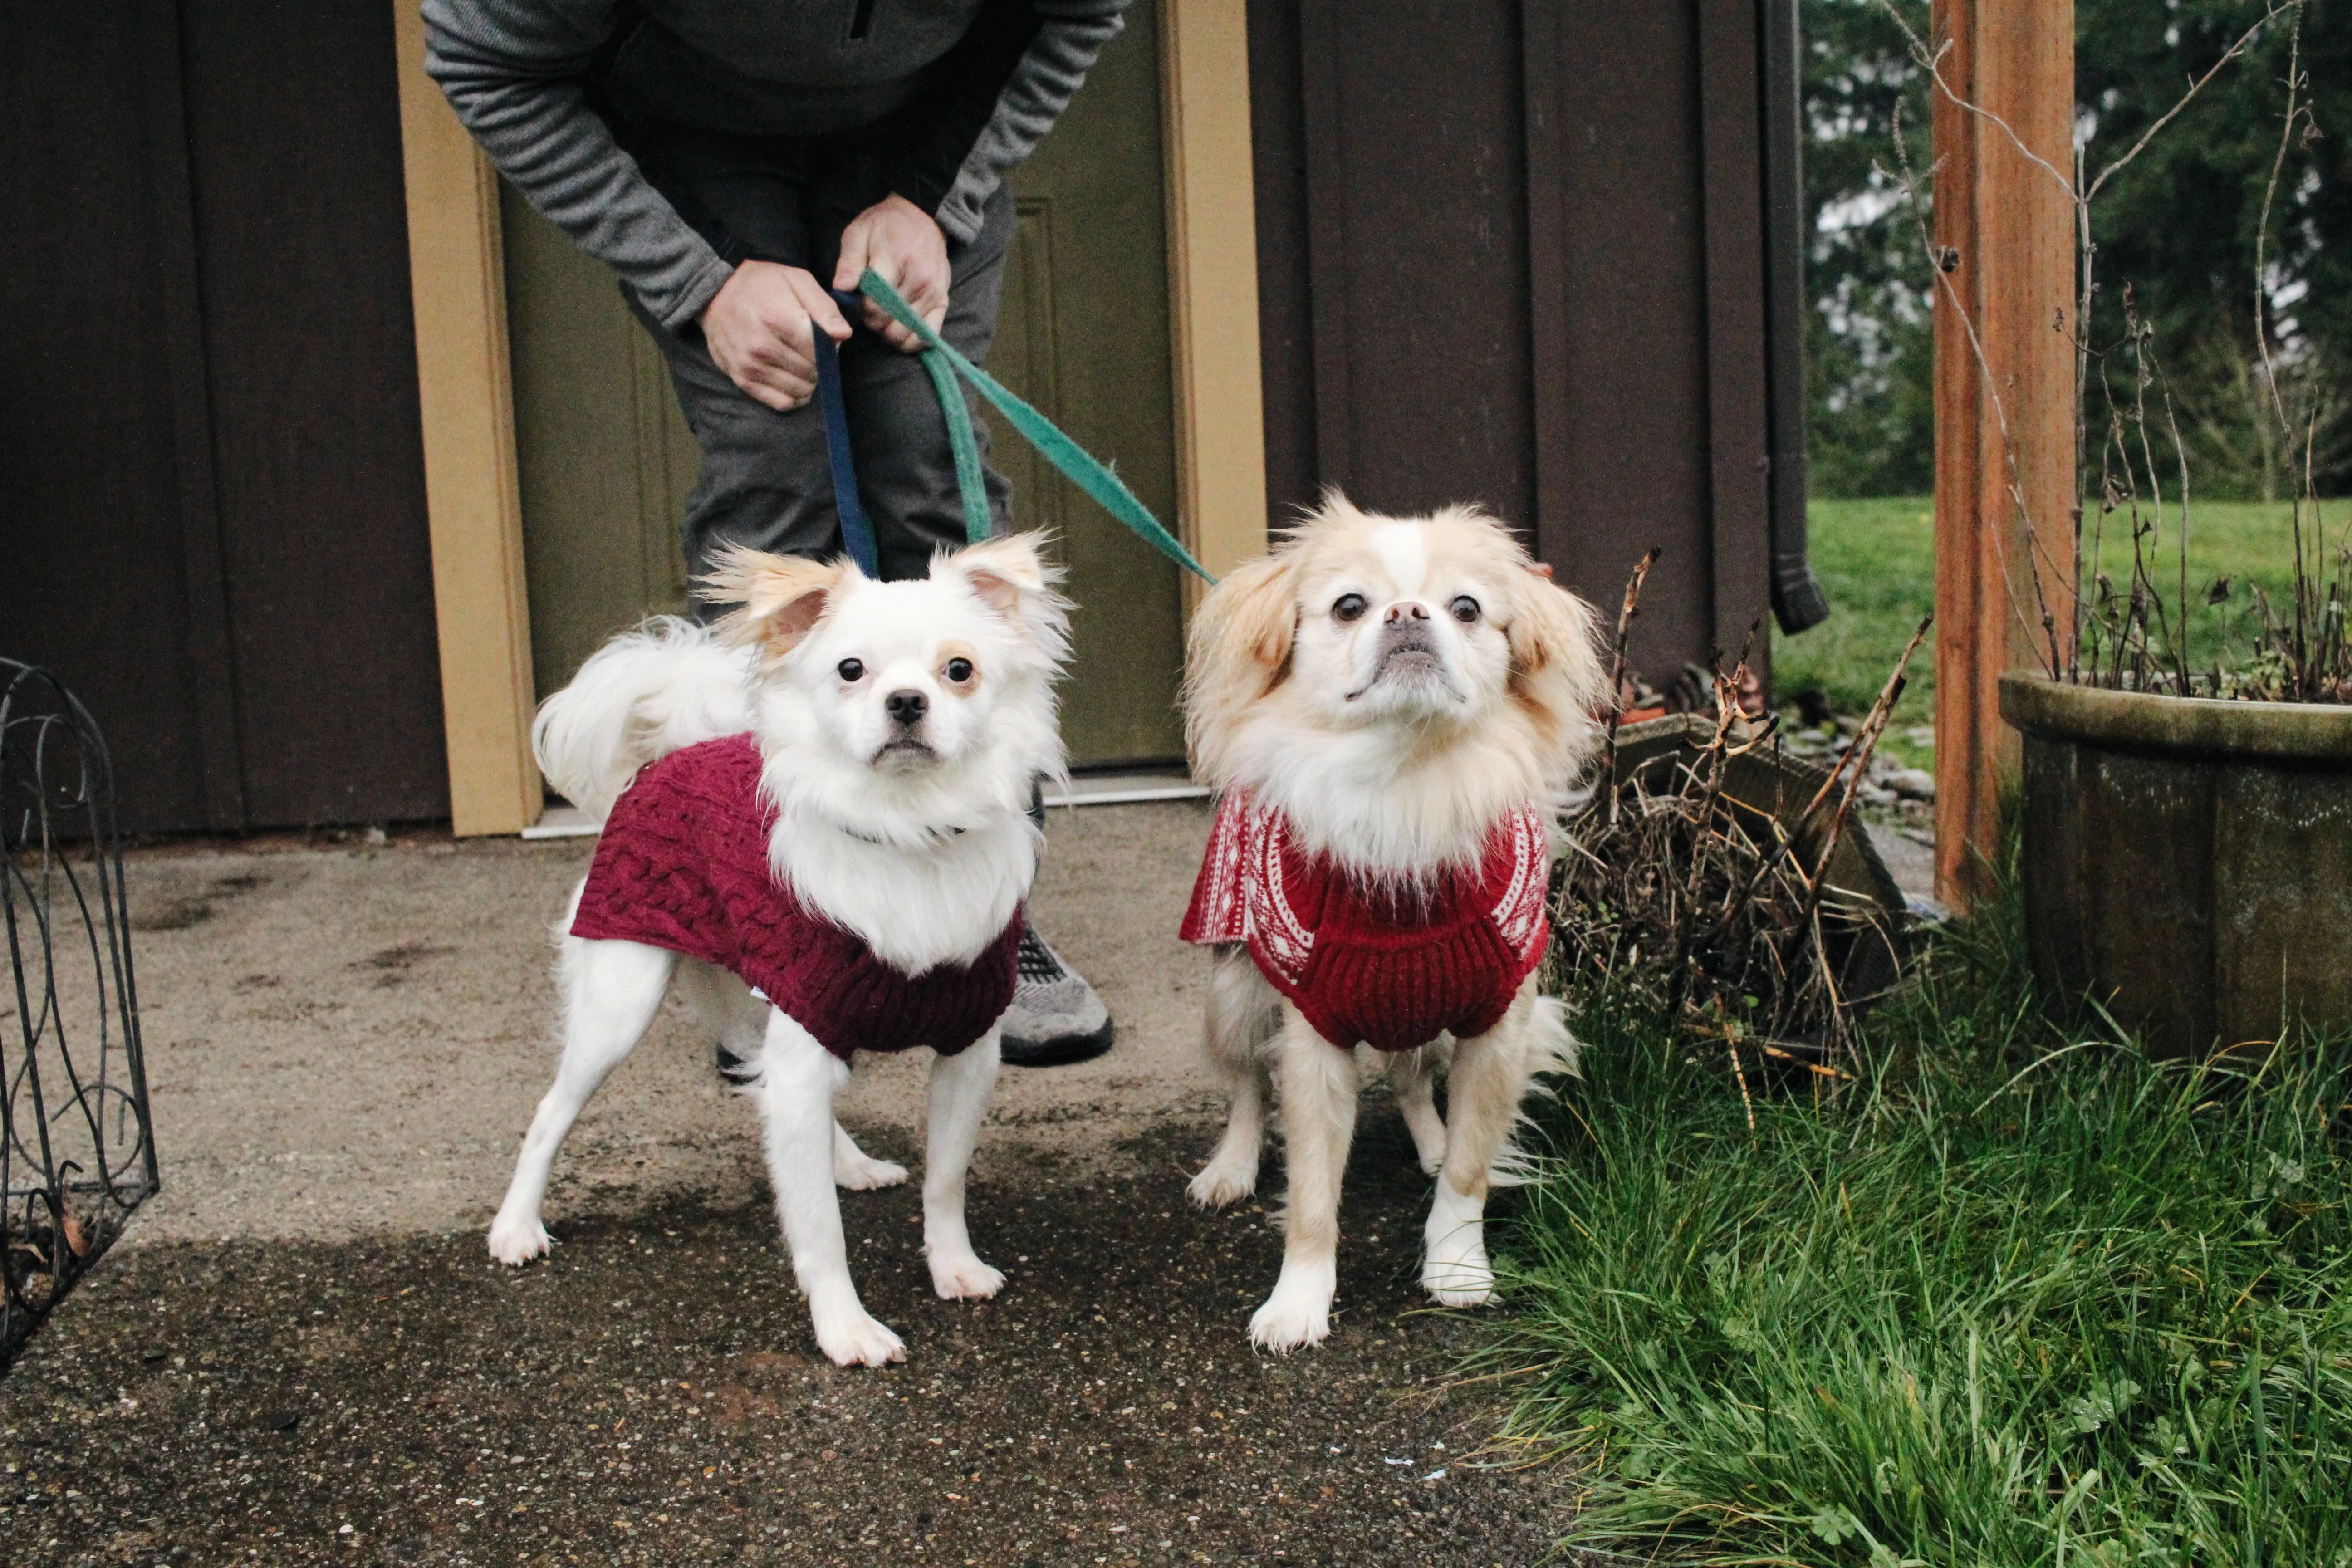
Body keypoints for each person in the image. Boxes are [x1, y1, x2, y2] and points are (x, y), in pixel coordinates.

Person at [425, 0, 1125, 1066]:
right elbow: (481, 62)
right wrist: (698, 282)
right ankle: (761, 921)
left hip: (933, 120)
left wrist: (935, 200)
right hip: (695, 136)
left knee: (928, 463)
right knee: (772, 483)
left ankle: (989, 912)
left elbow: (1078, 13)